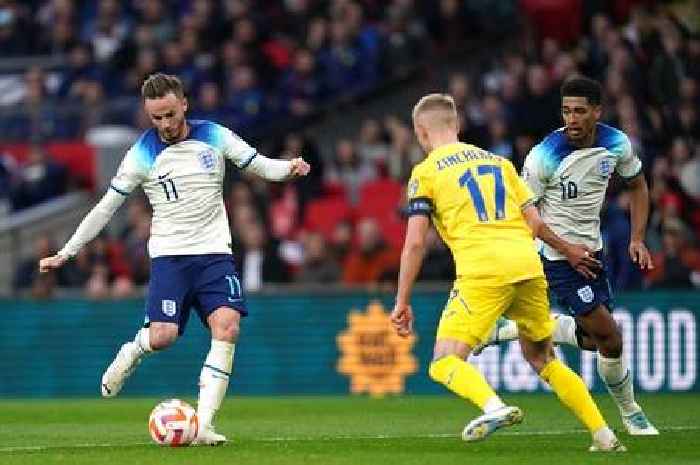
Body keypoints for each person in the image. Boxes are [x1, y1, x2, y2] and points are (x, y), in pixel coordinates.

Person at [38, 73, 310, 445]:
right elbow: (105, 209)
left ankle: (203, 424)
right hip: (170, 257)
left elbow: (260, 165)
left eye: (169, 114)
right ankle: (133, 349)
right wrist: (66, 252)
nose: (165, 124)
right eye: (156, 118)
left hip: (215, 254)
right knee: (163, 336)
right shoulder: (141, 155)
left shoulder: (214, 135)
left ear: (183, 104)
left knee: (228, 328)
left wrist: (289, 167)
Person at [390, 93, 625, 452]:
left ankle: (494, 407)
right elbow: (535, 223)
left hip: (483, 271)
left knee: (444, 361)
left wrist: (402, 301)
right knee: (543, 358)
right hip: (528, 265)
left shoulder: (425, 172)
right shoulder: (499, 163)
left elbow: (415, 244)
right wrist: (569, 252)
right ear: (457, 125)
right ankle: (604, 435)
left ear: (421, 132)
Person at [474, 76, 659, 436]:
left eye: (579, 111)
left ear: (597, 112)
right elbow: (529, 219)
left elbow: (637, 185)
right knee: (612, 336)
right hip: (554, 256)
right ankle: (631, 412)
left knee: (595, 341)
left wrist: (636, 238)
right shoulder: (544, 156)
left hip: (590, 253)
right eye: (565, 111)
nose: (571, 119)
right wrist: (568, 250)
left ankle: (511, 329)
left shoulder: (616, 144)